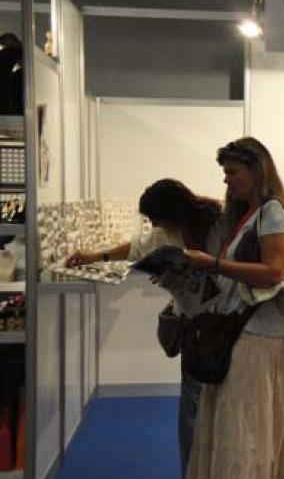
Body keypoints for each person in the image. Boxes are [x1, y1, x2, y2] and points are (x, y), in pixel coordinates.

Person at [66, 178, 223, 477]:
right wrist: (96, 257)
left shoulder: (217, 224)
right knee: (192, 404)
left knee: (212, 403)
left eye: (156, 219)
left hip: (222, 322)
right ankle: (193, 470)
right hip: (193, 323)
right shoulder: (167, 231)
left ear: (173, 213)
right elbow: (137, 248)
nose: (154, 226)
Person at [183, 137, 284, 479]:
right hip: (249, 333)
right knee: (245, 430)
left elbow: (273, 272)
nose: (227, 180)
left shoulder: (272, 213)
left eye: (233, 172)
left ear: (257, 171)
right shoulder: (251, 215)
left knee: (247, 433)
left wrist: (214, 264)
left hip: (260, 337)